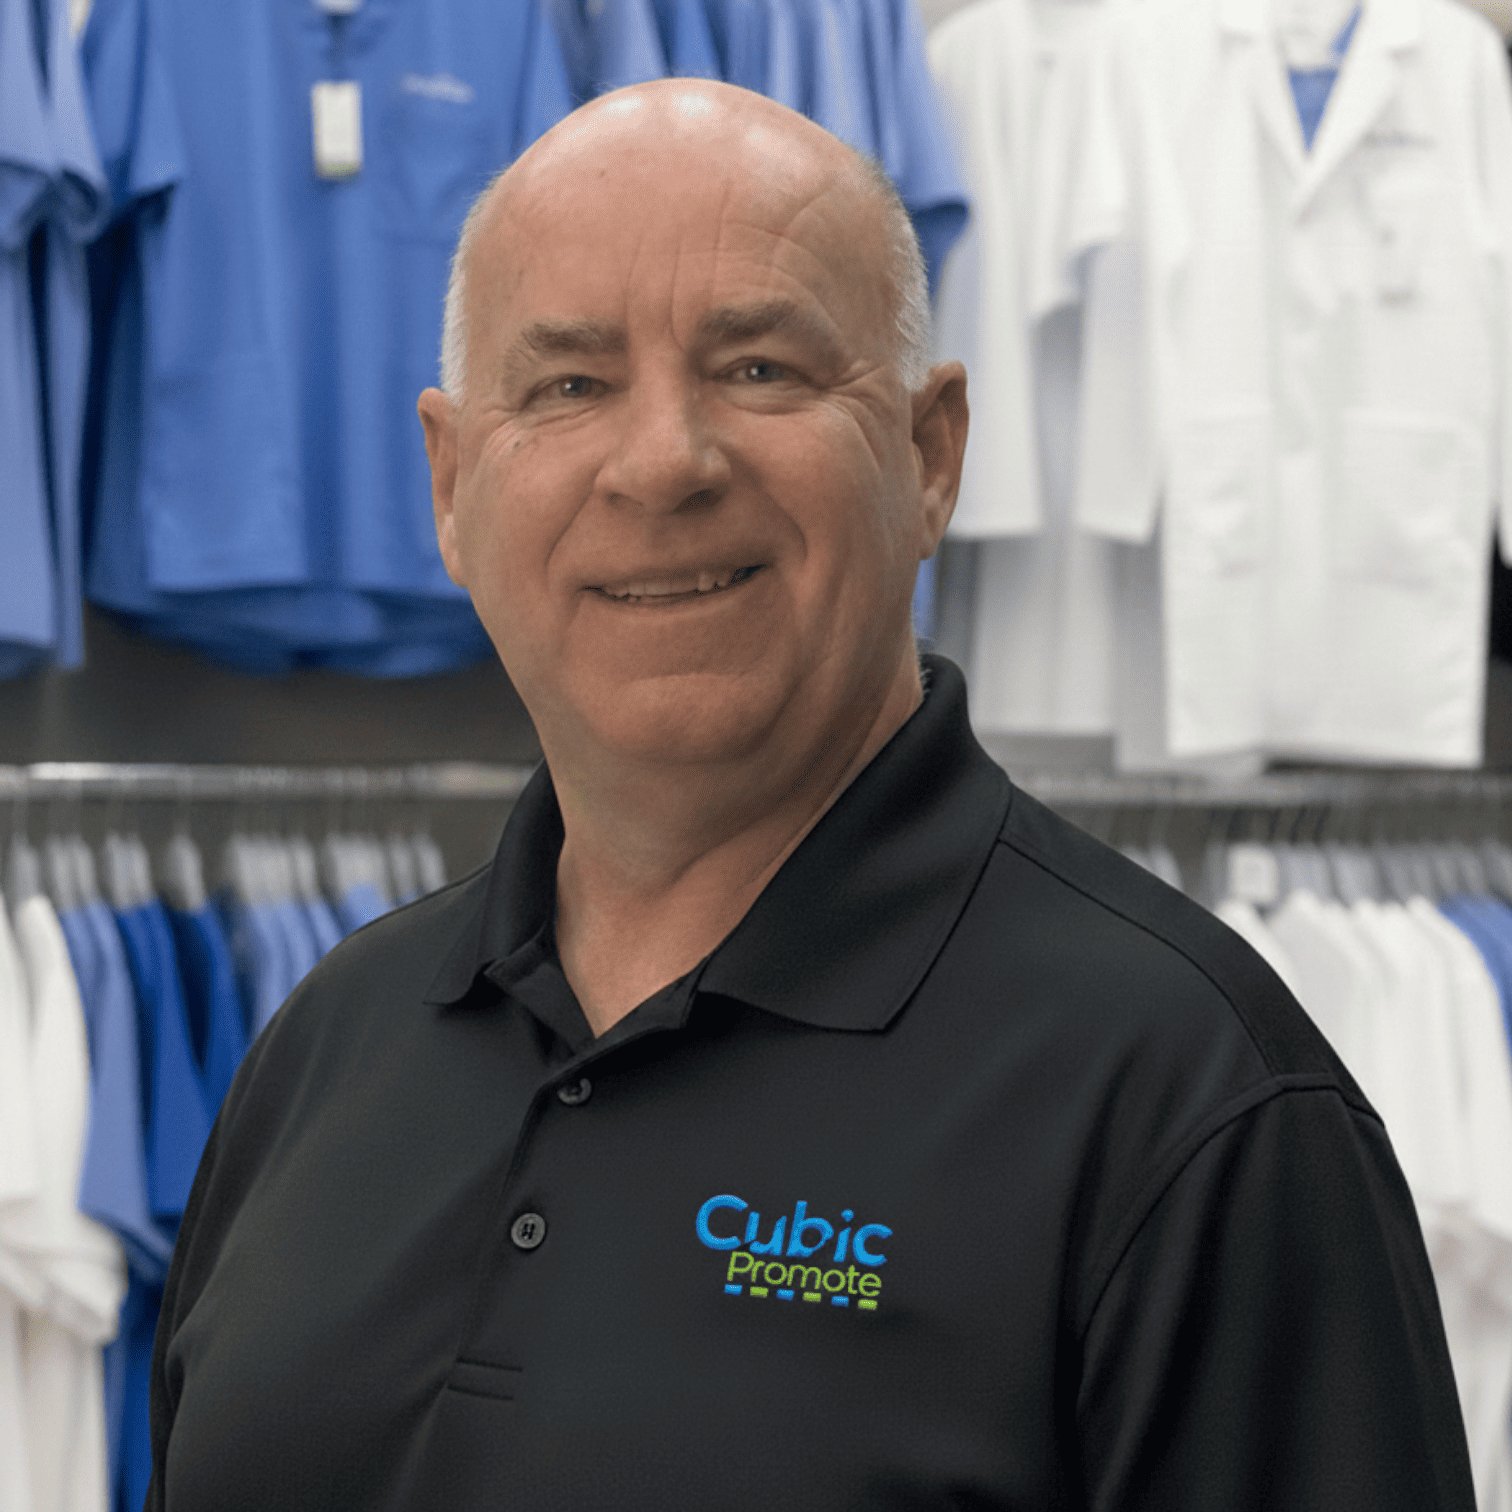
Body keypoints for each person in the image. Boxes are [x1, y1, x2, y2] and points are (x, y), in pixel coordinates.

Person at [146, 79, 1475, 1510]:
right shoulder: (324, 1050)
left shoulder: (1194, 1104)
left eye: (761, 368)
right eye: (570, 385)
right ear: (454, 488)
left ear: (930, 454)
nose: (663, 462)